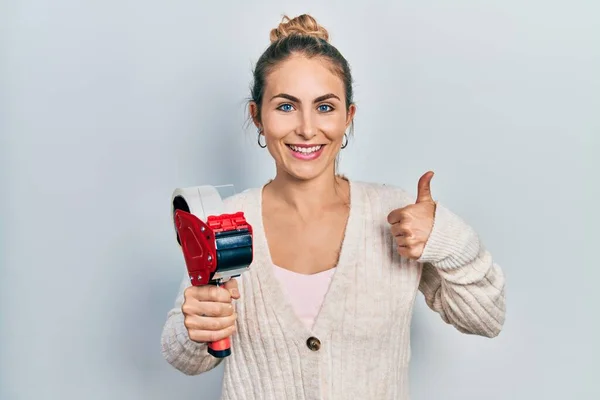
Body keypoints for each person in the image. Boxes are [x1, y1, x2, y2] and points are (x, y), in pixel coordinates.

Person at [161, 14, 506, 400]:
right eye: (286, 107)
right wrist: (196, 327)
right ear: (257, 117)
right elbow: (187, 358)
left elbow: (487, 319)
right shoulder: (224, 220)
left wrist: (447, 237)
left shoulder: (393, 213)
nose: (307, 128)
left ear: (348, 117)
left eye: (325, 107)